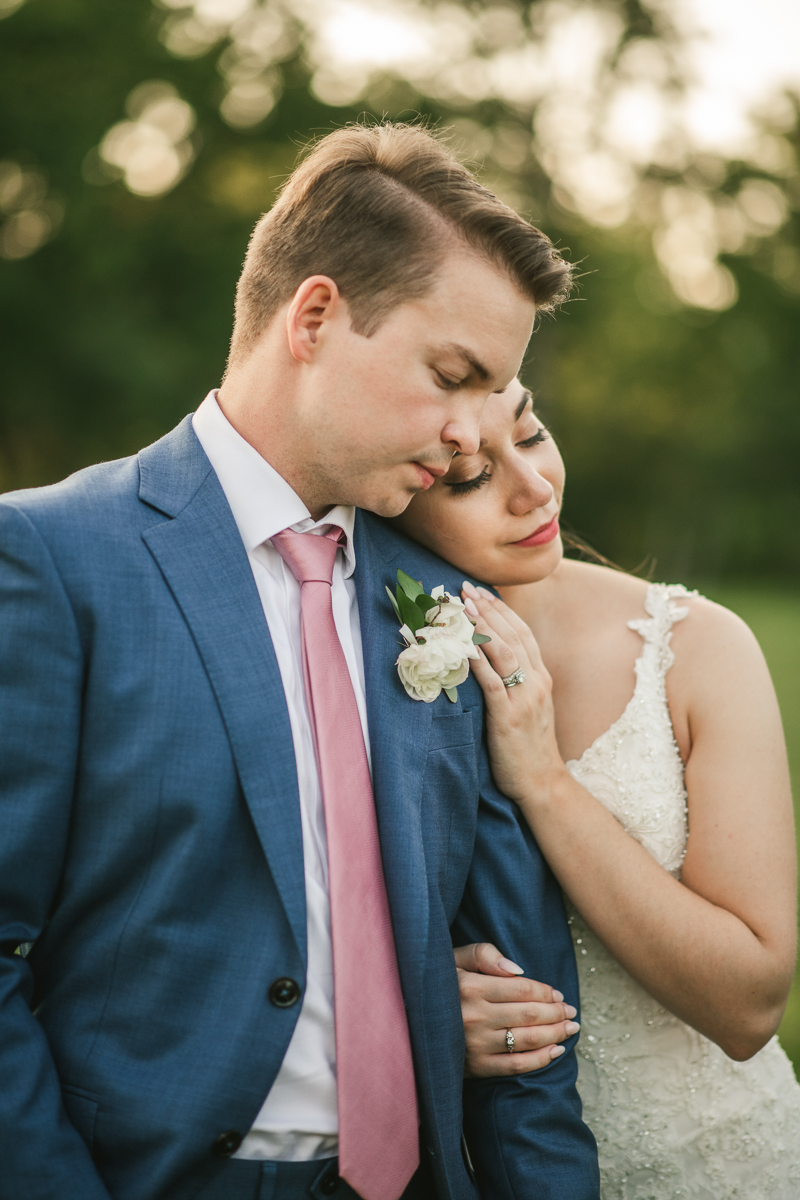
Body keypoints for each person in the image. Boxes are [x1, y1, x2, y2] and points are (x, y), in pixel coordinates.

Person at [0, 124, 600, 1200]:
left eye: (497, 395)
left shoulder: (443, 602)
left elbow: (523, 1004)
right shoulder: (51, 560)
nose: (471, 438)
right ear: (314, 316)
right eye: (452, 376)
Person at [393, 377, 800, 1197]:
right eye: (472, 477)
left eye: (532, 432)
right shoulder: (371, 665)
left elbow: (750, 1004)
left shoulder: (696, 648)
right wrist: (421, 1012)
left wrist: (544, 779)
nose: (535, 487)